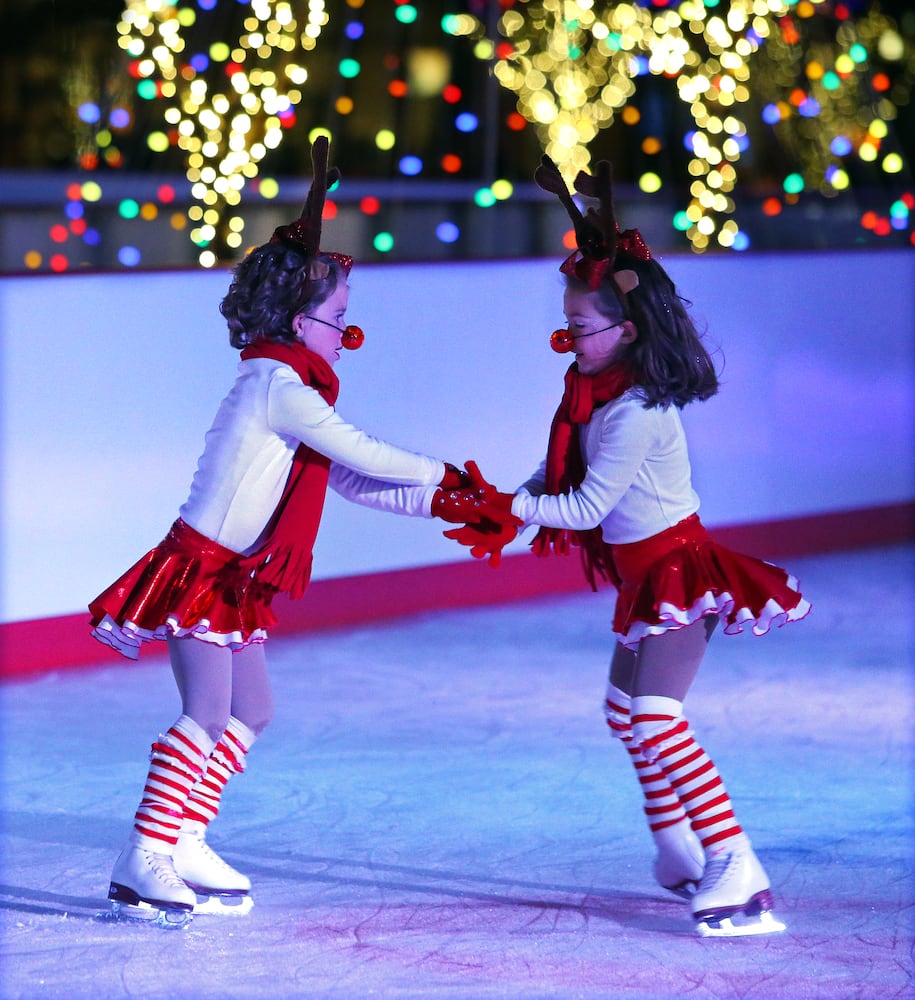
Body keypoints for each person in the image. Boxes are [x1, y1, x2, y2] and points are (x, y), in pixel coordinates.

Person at [89, 137, 486, 928]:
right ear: (296, 319)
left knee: (252, 710)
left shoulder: (293, 386)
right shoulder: (278, 384)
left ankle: (187, 838)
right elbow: (361, 450)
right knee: (204, 714)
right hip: (200, 571)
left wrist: (448, 505)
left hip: (233, 577)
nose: (346, 334)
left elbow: (351, 481)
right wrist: (445, 472)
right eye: (339, 320)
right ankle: (145, 857)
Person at [443, 155, 811, 938]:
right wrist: (499, 504)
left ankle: (733, 860)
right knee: (624, 713)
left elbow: (582, 505)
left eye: (577, 330)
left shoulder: (634, 410)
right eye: (565, 329)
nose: (567, 343)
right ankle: (677, 850)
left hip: (680, 573)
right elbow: (554, 476)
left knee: (653, 714)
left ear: (627, 328)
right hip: (645, 579)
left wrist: (513, 505)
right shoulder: (591, 398)